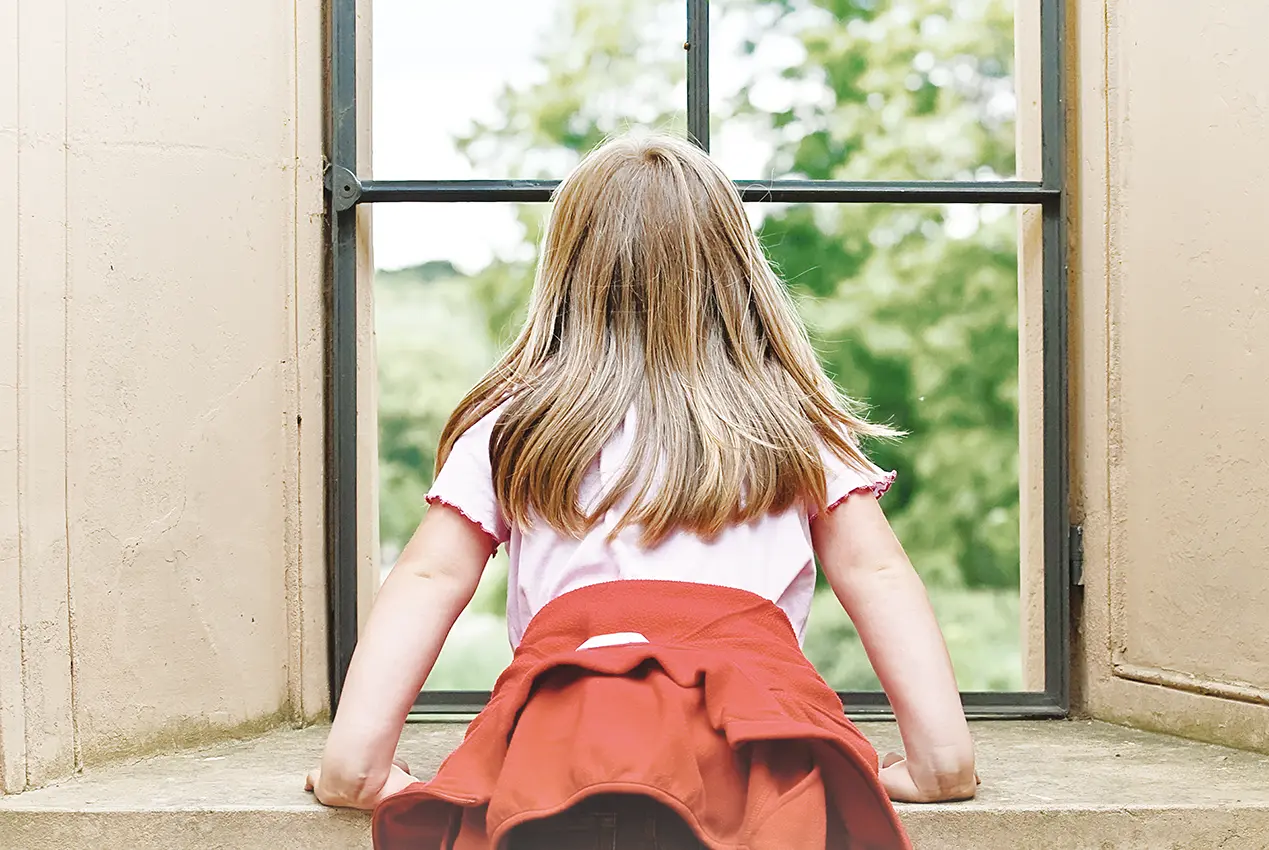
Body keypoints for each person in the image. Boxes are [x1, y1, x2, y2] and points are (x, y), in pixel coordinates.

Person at [305, 133, 977, 849]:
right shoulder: (793, 423)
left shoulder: (517, 424)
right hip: (757, 758)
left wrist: (356, 767)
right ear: (734, 270)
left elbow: (429, 575)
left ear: (567, 270)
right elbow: (877, 573)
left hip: (566, 753)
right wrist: (940, 762)